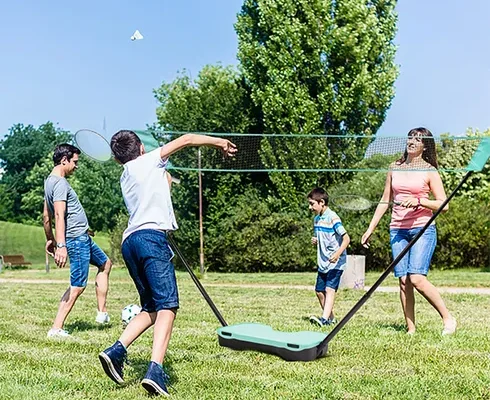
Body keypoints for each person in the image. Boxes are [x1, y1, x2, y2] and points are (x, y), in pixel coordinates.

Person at [99, 131, 236, 396]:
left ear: (118, 159)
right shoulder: (149, 159)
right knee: (168, 305)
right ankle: (155, 370)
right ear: (140, 147)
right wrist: (219, 142)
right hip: (151, 238)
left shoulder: (125, 174)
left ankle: (116, 351)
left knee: (151, 307)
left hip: (131, 242)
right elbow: (185, 139)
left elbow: (161, 188)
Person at [361, 127, 457, 335]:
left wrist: (420, 201)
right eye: (410, 137)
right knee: (404, 281)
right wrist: (371, 228)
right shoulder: (394, 167)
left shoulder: (430, 170)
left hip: (422, 229)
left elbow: (444, 204)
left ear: (425, 146)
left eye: (418, 139)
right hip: (397, 229)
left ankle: (448, 319)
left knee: (416, 278)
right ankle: (410, 329)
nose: (412, 141)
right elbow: (385, 200)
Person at [43, 144, 112, 338]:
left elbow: (45, 216)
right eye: (75, 162)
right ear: (64, 160)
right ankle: (56, 328)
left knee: (105, 263)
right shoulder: (60, 183)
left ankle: (102, 314)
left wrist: (50, 239)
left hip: (82, 236)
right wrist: (61, 245)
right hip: (75, 239)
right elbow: (58, 214)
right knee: (78, 284)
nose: (76, 166)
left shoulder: (49, 182)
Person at [307, 187, 350, 328]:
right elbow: (325, 238)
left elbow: (346, 239)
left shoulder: (333, 218)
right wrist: (316, 240)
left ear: (322, 203)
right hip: (323, 261)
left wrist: (337, 254)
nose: (310, 207)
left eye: (312, 204)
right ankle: (331, 319)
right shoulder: (317, 220)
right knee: (319, 291)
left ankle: (324, 319)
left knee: (329, 289)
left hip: (336, 262)